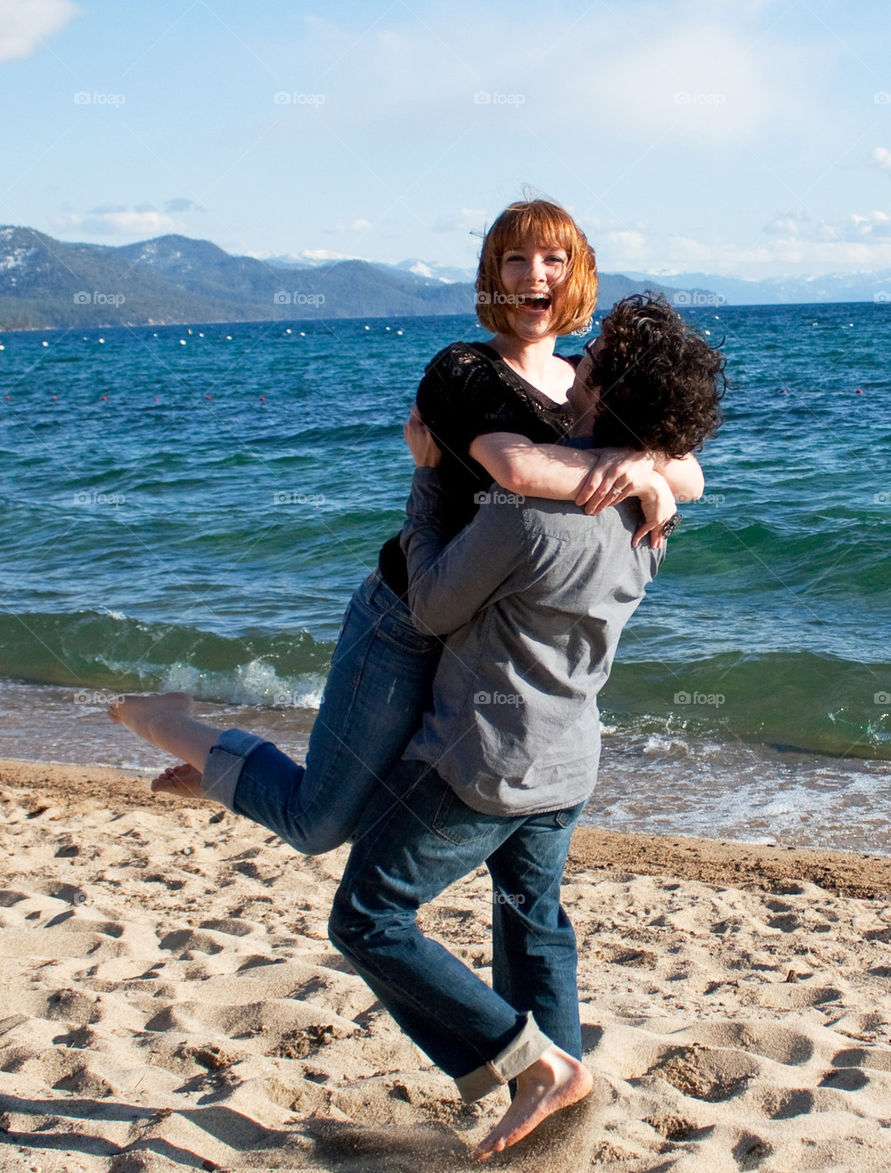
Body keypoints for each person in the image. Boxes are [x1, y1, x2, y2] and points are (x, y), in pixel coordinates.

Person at [109, 201, 703, 853]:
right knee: (319, 825)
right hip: (404, 617)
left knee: (410, 805)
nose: (535, 274)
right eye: (514, 259)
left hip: (480, 637)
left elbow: (693, 479)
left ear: (579, 273)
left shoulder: (580, 380)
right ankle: (167, 722)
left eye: (554, 259)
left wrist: (643, 463)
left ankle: (244, 783)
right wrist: (640, 472)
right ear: (491, 275)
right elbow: (517, 470)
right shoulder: (462, 370)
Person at [327, 293, 727, 1159]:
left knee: (368, 919)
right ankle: (554, 1112)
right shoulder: (651, 516)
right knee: (532, 916)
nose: (573, 367)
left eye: (592, 362)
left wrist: (430, 476)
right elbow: (673, 474)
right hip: (568, 760)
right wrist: (654, 466)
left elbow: (430, 607)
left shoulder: (526, 516)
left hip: (482, 760)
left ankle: (532, 1064)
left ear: (600, 395)